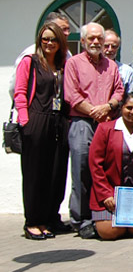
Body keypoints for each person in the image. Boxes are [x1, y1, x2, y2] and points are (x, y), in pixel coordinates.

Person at [65, 22, 125, 239]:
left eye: (99, 38)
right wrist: (94, 111)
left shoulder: (111, 65)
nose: (96, 42)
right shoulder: (73, 63)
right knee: (81, 170)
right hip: (82, 122)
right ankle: (80, 220)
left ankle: (100, 215)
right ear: (83, 41)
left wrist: (108, 107)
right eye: (91, 38)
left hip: (106, 122)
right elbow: (71, 95)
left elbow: (119, 89)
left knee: (104, 170)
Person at [15, 22, 71, 240]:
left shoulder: (62, 64)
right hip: (36, 119)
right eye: (45, 39)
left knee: (55, 173)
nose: (49, 43)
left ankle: (47, 219)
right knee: (34, 174)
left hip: (58, 121)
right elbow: (19, 92)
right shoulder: (30, 62)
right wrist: (25, 120)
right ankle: (32, 222)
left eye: (53, 39)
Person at [88, 93, 133, 240]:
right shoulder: (105, 129)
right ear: (121, 108)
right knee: (110, 232)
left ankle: (128, 222)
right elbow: (95, 163)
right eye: (129, 108)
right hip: (110, 196)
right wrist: (105, 194)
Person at [11, 12, 71, 98]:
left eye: (68, 29)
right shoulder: (31, 53)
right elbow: (15, 88)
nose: (67, 33)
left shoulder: (67, 53)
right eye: (63, 29)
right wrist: (23, 109)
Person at [103, 30, 133, 94]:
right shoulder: (92, 68)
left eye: (114, 46)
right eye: (106, 46)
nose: (110, 49)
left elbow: (130, 96)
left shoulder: (127, 71)